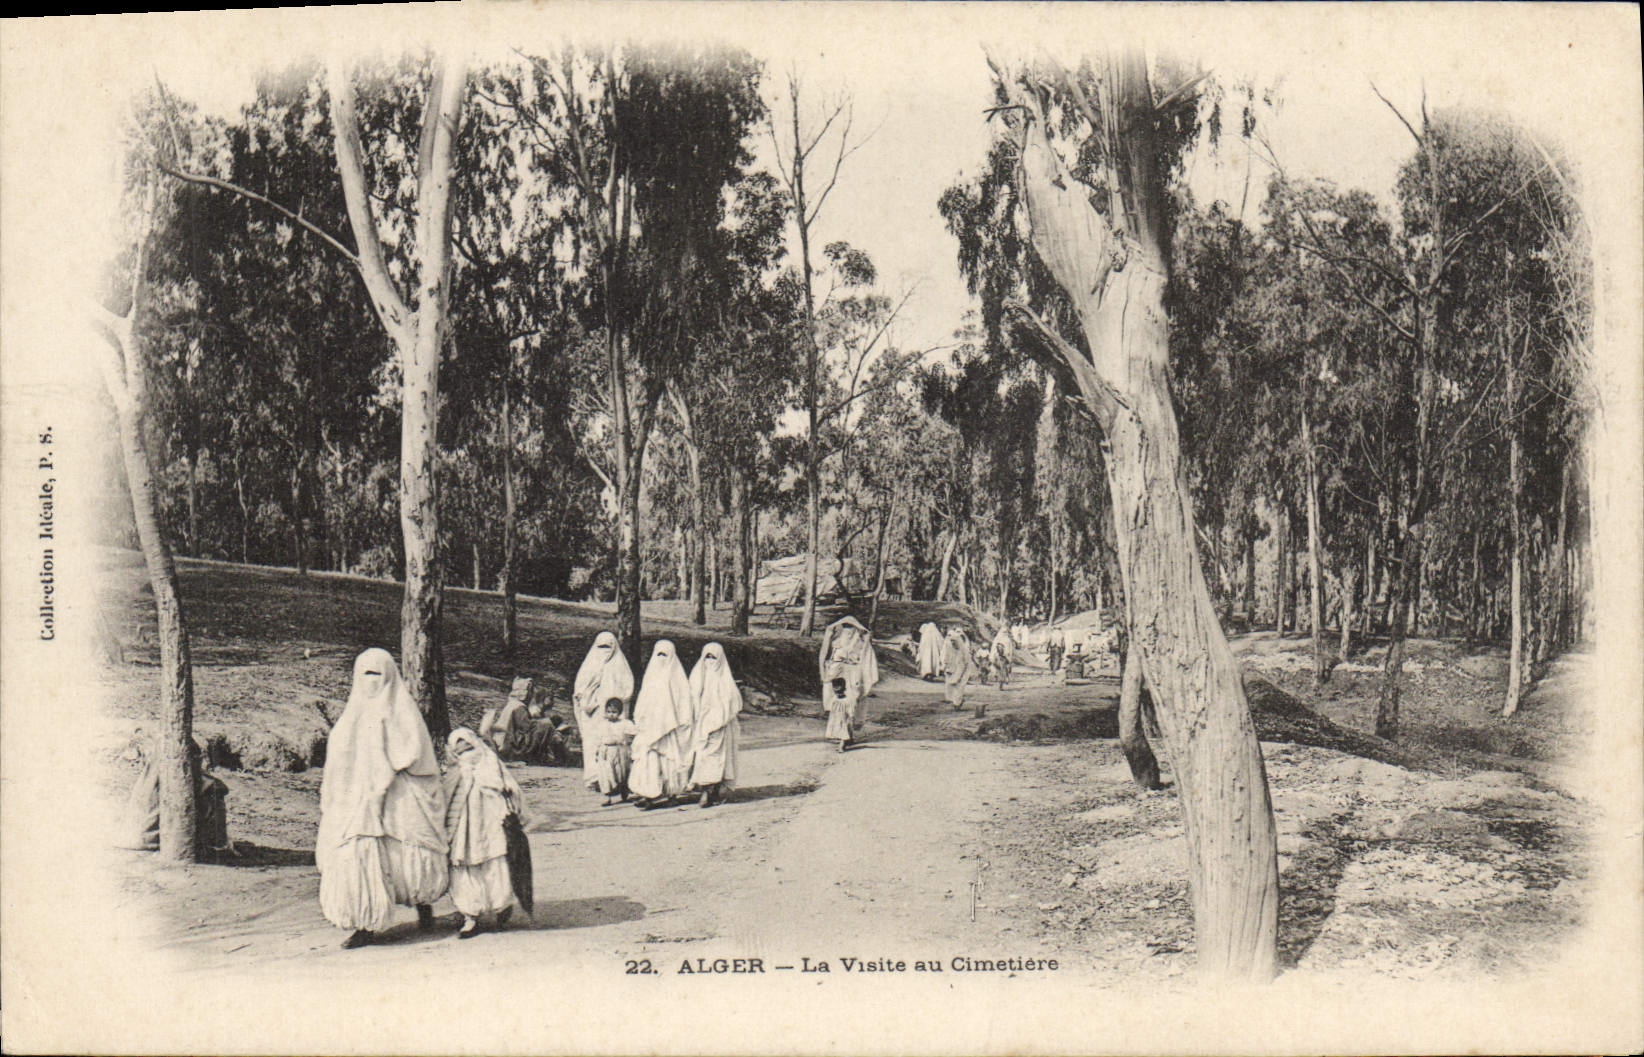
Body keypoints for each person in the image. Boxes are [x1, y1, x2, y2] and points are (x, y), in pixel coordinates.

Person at [316, 648, 448, 950]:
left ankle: (421, 902)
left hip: (399, 795)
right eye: (365, 674)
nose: (371, 680)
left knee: (408, 854)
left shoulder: (404, 711)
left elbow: (415, 753)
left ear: (389, 676)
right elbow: (337, 761)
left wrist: (387, 767)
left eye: (377, 674)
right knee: (361, 856)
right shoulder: (350, 717)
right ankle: (365, 922)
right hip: (358, 799)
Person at [443, 728, 531, 939]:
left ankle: (501, 906)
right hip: (463, 830)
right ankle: (470, 915)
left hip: (490, 825)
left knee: (495, 863)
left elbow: (510, 788)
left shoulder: (490, 765)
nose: (466, 754)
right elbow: (444, 800)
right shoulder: (455, 773)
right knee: (465, 866)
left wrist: (506, 798)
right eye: (460, 750)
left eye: (468, 747)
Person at [120, 732, 232, 860]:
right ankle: (218, 846)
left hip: (133, 839)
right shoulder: (177, 777)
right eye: (197, 758)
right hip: (159, 841)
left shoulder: (149, 776)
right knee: (214, 791)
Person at [630, 640, 694, 808]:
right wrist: (640, 718)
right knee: (648, 761)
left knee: (670, 761)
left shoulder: (678, 678)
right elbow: (643, 699)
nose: (661, 658)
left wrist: (682, 722)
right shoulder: (650, 676)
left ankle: (672, 794)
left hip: (670, 729)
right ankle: (648, 794)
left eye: (665, 655)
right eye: (658, 654)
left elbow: (684, 702)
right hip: (650, 727)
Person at [572, 632, 635, 790]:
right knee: (592, 743)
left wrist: (615, 700)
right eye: (601, 647)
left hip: (613, 711)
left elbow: (627, 688)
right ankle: (594, 777)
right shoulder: (589, 664)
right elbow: (579, 688)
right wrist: (589, 697)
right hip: (592, 712)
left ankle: (614, 779)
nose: (604, 650)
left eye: (608, 647)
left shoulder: (620, 665)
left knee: (613, 745)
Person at [688, 642, 742, 806]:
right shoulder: (698, 677)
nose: (710, 661)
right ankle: (706, 790)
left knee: (720, 759)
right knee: (704, 757)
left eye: (714, 658)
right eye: (707, 657)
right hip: (702, 725)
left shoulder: (725, 680)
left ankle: (714, 792)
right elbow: (691, 699)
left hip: (721, 726)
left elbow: (734, 703)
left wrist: (719, 718)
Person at [480, 677, 570, 765]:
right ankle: (538, 757)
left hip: (506, 740)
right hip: (511, 744)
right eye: (530, 692)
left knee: (545, 725)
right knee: (546, 725)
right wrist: (545, 722)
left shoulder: (512, 704)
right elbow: (526, 727)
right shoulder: (519, 707)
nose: (532, 695)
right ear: (525, 694)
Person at [589, 697, 638, 805]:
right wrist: (597, 751)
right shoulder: (602, 724)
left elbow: (633, 733)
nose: (611, 714)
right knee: (606, 774)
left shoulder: (624, 723)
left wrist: (628, 741)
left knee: (621, 773)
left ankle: (624, 793)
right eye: (609, 712)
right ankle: (607, 796)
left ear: (619, 713)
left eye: (614, 712)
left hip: (620, 750)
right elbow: (597, 739)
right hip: (606, 751)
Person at [941, 628, 973, 712]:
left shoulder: (963, 650)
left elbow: (967, 662)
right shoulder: (949, 649)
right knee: (952, 687)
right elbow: (946, 659)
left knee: (959, 687)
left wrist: (962, 674)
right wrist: (946, 667)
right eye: (951, 641)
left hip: (963, 671)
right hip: (953, 670)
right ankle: (957, 701)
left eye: (954, 641)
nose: (953, 643)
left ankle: (957, 704)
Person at [990, 624, 1015, 689]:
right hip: (998, 656)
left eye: (1005, 632)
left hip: (1004, 657)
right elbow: (993, 648)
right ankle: (1001, 681)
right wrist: (994, 655)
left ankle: (1004, 678)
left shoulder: (1007, 640)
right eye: (1004, 632)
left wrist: (1008, 656)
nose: (1004, 633)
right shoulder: (998, 639)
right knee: (1000, 670)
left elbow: (1010, 649)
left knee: (1004, 669)